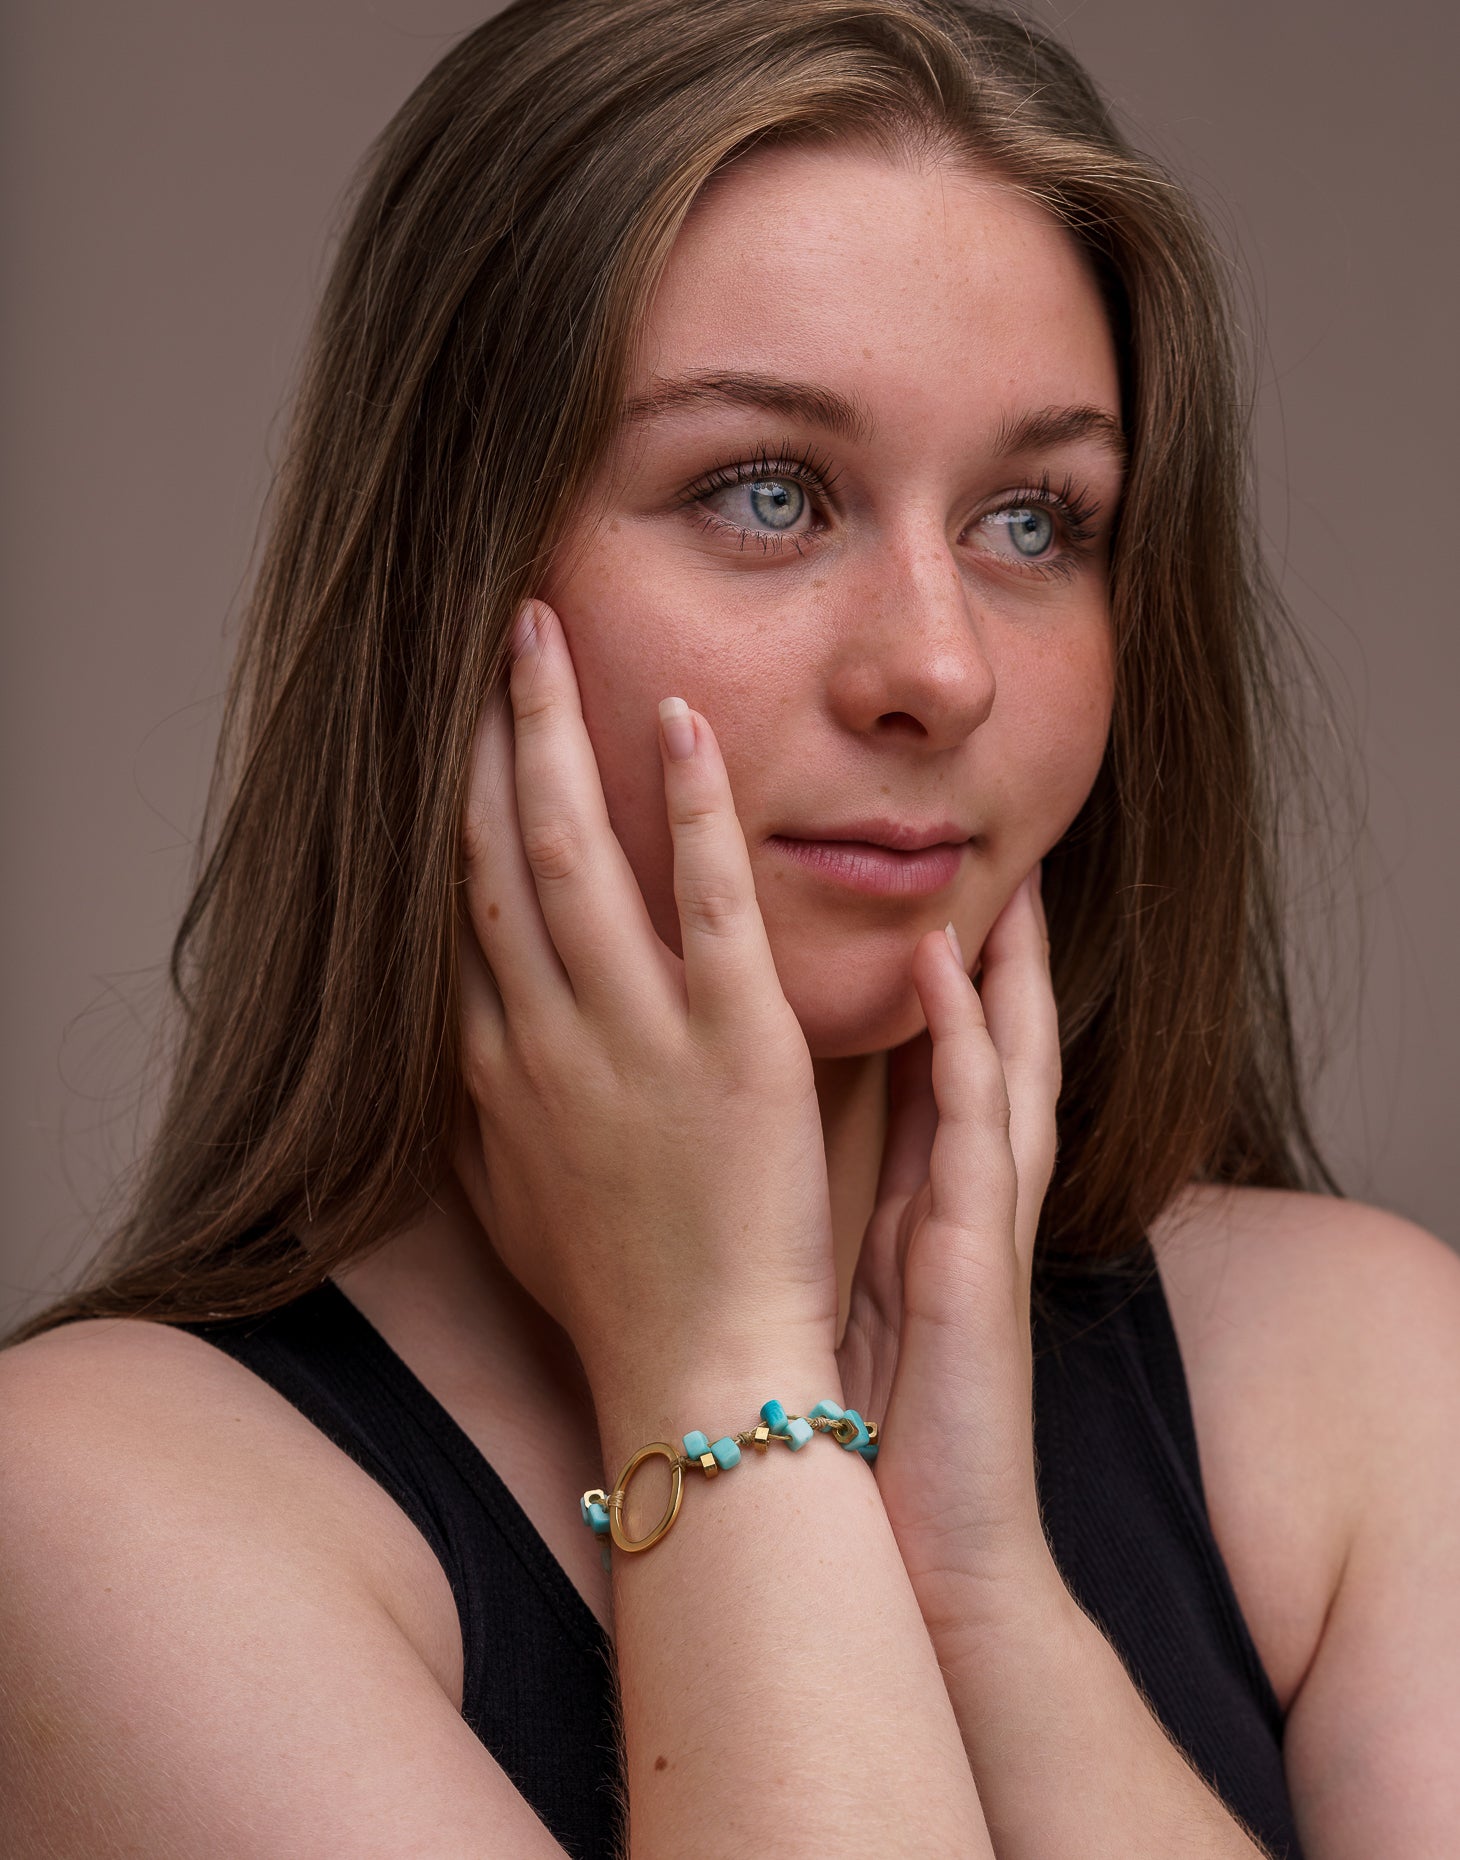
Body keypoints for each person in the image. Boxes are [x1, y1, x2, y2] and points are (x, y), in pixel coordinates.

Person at [2, 0, 1456, 1853]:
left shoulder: (1363, 1380)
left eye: (1035, 521)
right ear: (453, 588)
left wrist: (992, 1608)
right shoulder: (98, 1517)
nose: (938, 666)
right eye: (767, 493)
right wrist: (725, 1369)